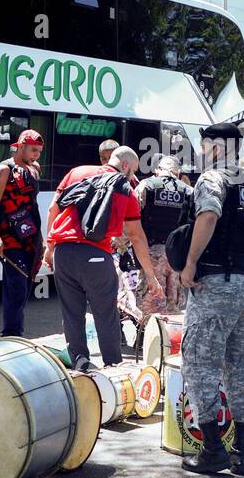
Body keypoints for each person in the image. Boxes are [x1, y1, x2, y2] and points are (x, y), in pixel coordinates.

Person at [178, 122, 244, 474]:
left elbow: (207, 215)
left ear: (216, 148)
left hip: (214, 286)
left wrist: (190, 263)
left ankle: (212, 450)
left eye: (204, 146)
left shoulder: (212, 179)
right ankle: (242, 453)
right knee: (240, 366)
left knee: (200, 364)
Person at [44, 146, 161, 371]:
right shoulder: (125, 188)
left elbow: (53, 209)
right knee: (105, 313)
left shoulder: (77, 173)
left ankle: (81, 364)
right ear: (125, 165)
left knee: (71, 313)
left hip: (63, 252)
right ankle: (113, 365)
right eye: (133, 170)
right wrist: (150, 274)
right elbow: (136, 236)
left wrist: (49, 248)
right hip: (96, 254)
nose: (133, 177)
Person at [0, 129, 44, 338]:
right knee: (17, 284)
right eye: (33, 150)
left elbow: (32, 206)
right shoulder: (4, 169)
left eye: (39, 151)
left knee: (26, 283)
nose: (36, 154)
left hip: (29, 235)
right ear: (21, 146)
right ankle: (11, 333)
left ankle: (14, 331)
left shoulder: (34, 169)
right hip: (8, 236)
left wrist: (40, 237)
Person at [134, 155, 191, 324]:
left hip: (151, 254)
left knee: (151, 301)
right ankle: (169, 340)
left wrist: (122, 246)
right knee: (172, 303)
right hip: (176, 256)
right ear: (178, 173)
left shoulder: (146, 186)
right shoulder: (188, 191)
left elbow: (131, 218)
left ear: (158, 170)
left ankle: (148, 337)